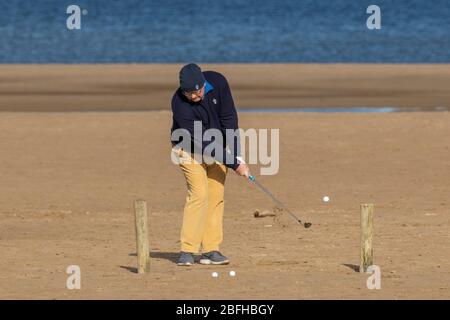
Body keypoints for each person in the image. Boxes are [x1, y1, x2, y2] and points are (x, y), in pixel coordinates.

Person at [170, 63, 250, 266]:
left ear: (204, 85)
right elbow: (202, 142)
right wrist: (234, 164)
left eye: (197, 92)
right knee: (199, 194)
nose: (194, 98)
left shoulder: (219, 81)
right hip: (188, 148)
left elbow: (229, 119)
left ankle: (210, 250)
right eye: (189, 94)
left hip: (218, 149)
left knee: (215, 196)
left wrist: (237, 155)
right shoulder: (179, 103)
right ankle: (187, 250)